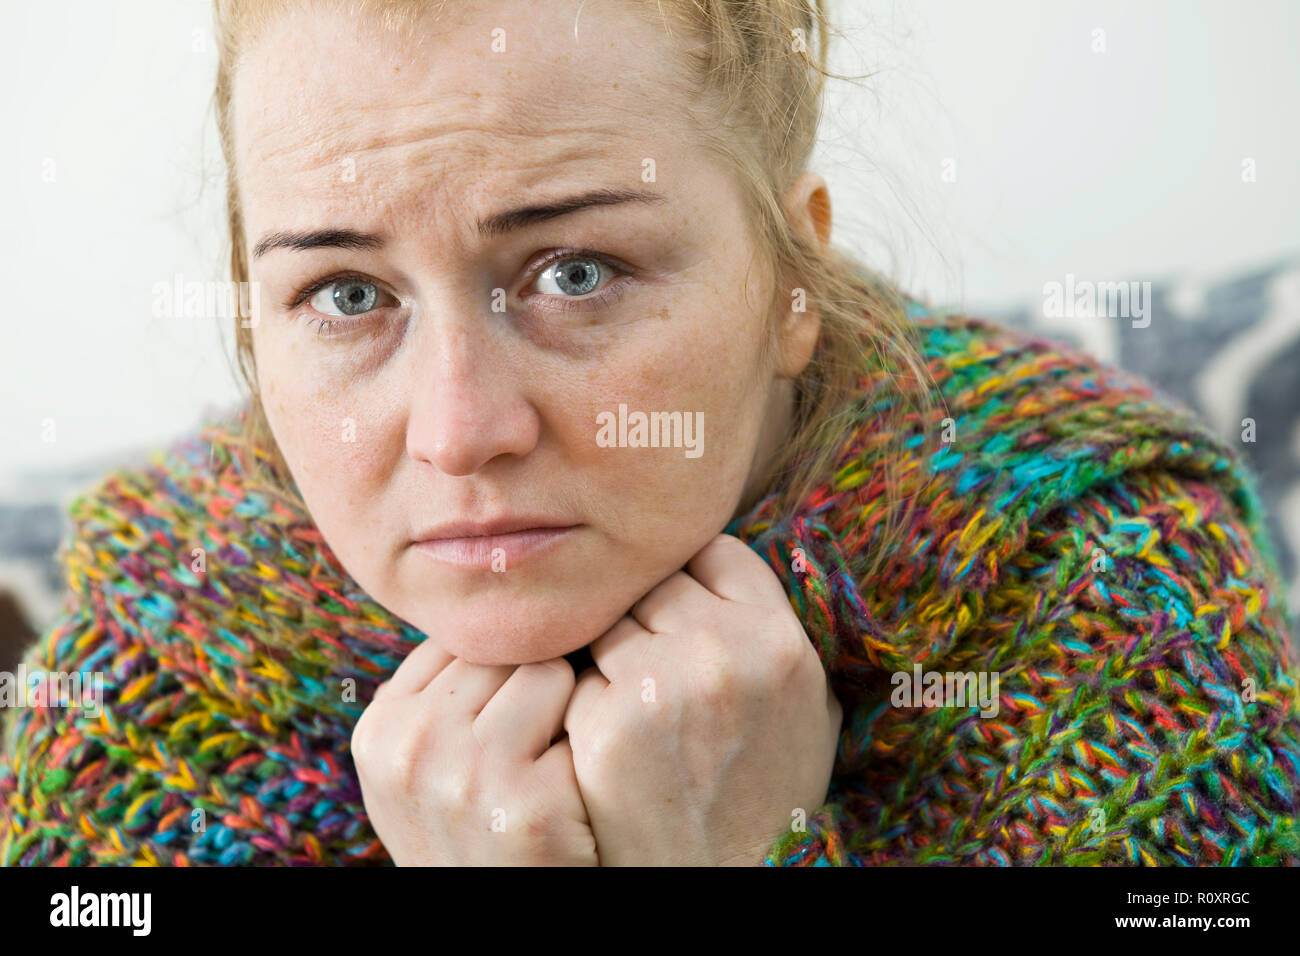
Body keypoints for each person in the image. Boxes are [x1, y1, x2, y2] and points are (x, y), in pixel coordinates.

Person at [2, 0, 1296, 866]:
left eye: (575, 274)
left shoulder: (1103, 583)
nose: (459, 432)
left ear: (795, 288)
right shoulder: (160, 671)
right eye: (347, 297)